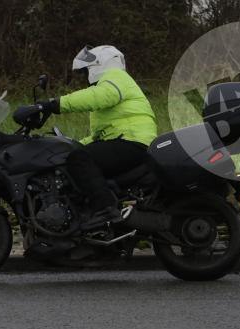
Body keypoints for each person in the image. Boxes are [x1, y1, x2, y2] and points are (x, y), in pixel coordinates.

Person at [37, 45, 158, 224]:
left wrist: (56, 103)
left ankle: (106, 209)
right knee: (76, 155)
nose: (86, 77)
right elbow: (99, 136)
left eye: (86, 71)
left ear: (100, 65)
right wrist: (69, 144)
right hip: (125, 140)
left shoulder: (115, 78)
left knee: (80, 159)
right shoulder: (113, 85)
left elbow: (99, 96)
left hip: (132, 142)